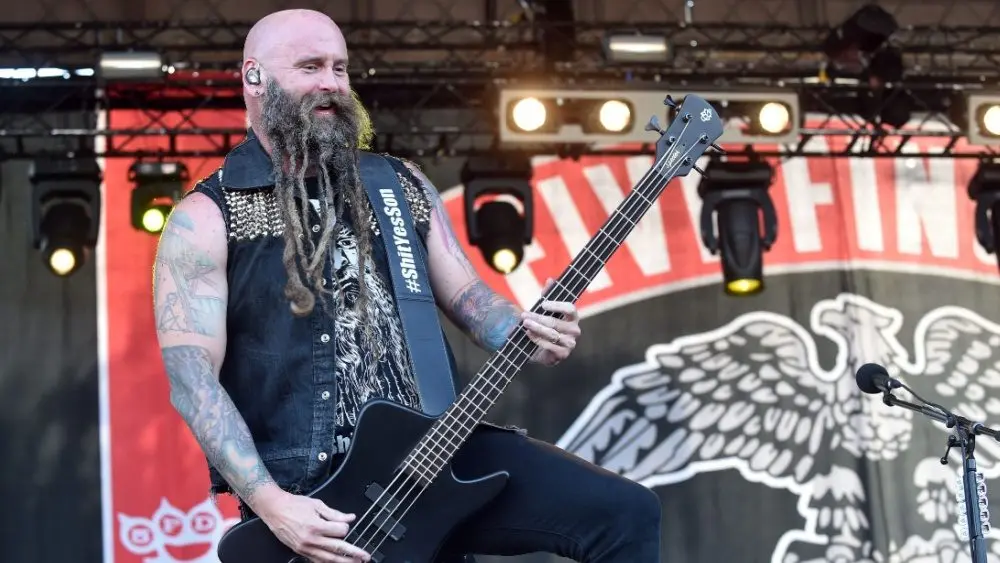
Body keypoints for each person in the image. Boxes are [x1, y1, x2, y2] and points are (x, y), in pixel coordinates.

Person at [152, 8, 661, 563]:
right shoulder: (206, 216)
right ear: (254, 77)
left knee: (626, 512)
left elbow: (470, 298)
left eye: (340, 68)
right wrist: (270, 502)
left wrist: (524, 331)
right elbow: (192, 380)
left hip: (436, 454)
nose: (332, 83)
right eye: (310, 66)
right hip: (320, 492)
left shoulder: (398, 184)